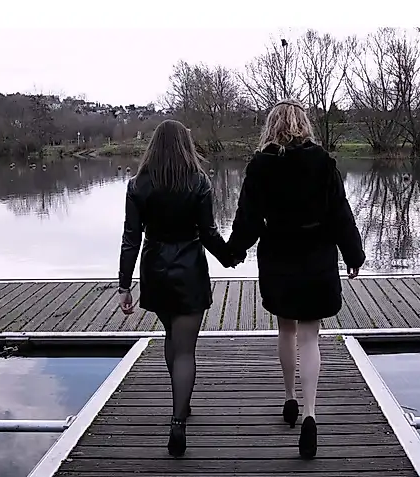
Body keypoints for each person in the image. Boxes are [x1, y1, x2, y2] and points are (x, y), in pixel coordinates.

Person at [227, 99, 366, 459]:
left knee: (285, 330)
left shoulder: (261, 165)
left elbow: (248, 217)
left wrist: (234, 251)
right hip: (317, 255)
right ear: (304, 125)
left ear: (271, 127)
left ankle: (289, 398)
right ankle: (310, 413)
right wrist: (353, 254)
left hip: (279, 256)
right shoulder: (323, 162)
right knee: (310, 337)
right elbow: (341, 214)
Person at [117, 119, 235, 458]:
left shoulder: (137, 185)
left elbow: (130, 238)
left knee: (172, 338)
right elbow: (209, 233)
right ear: (186, 145)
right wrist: (230, 257)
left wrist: (124, 285)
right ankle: (178, 420)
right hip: (189, 270)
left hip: (155, 269)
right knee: (185, 350)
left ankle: (181, 403)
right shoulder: (198, 182)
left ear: (153, 146)